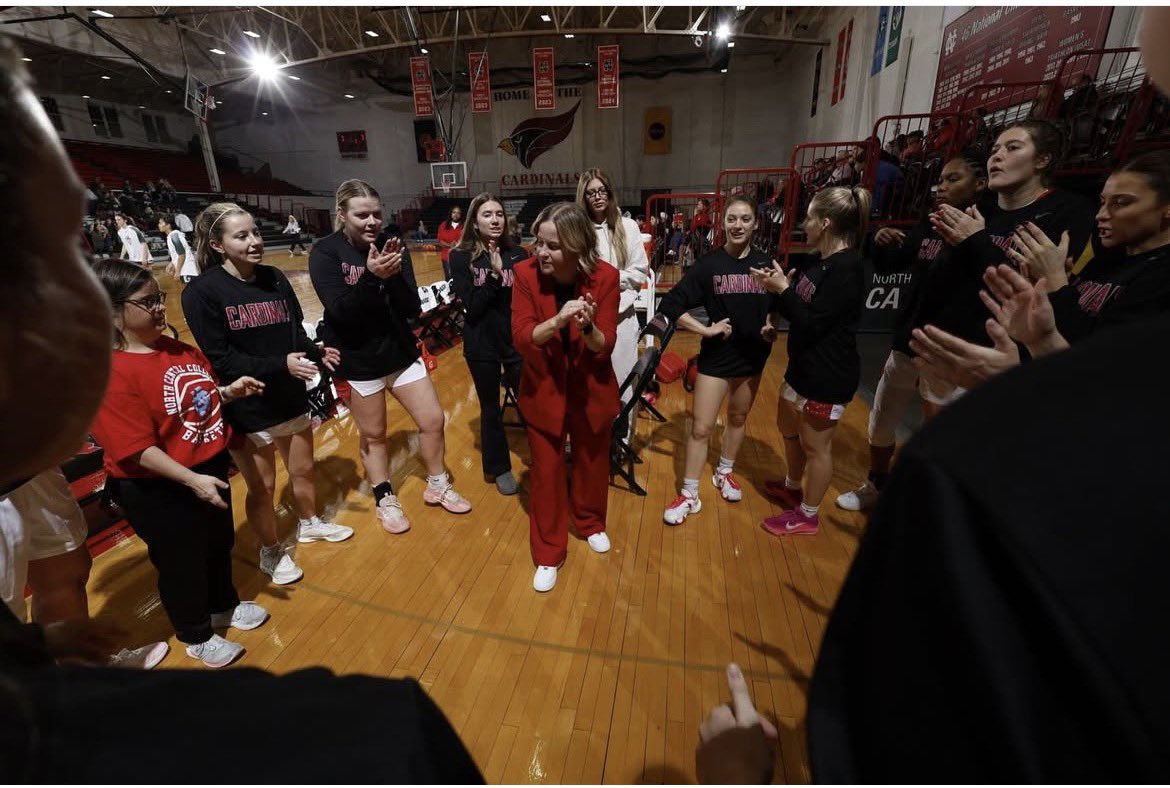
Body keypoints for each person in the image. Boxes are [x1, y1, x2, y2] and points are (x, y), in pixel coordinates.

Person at [89, 259, 270, 667]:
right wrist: (191, 480)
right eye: (147, 301)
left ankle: (223, 605)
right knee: (181, 563)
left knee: (217, 545)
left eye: (159, 297)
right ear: (113, 311)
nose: (160, 307)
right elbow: (136, 449)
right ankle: (196, 633)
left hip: (205, 469)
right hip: (158, 485)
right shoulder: (110, 373)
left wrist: (228, 392)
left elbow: (192, 400)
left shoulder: (179, 349)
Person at [183, 202, 353, 586]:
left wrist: (316, 352)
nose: (255, 241)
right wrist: (282, 364)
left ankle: (309, 523)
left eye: (256, 232)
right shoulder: (201, 292)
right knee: (263, 487)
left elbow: (293, 331)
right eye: (241, 236)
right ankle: (271, 549)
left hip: (288, 393)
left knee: (303, 470)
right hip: (248, 402)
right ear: (218, 245)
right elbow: (221, 358)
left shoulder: (274, 277)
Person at [910, 150, 1170, 388]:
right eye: (1103, 202)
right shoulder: (1108, 259)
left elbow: (1101, 366)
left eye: (1121, 203)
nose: (1102, 214)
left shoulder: (1160, 275)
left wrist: (1055, 282)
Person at [309, 179, 470, 534]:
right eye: (362, 215)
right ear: (342, 214)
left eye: (376, 214)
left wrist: (393, 276)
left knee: (432, 419)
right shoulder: (325, 253)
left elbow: (411, 307)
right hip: (358, 358)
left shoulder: (391, 244)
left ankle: (438, 484)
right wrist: (371, 277)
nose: (372, 222)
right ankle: (385, 497)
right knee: (375, 434)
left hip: (399, 351)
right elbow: (340, 312)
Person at [835, 149, 989, 512]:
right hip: (908, 341)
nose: (941, 186)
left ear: (980, 184)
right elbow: (894, 264)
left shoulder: (987, 231)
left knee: (938, 434)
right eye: (941, 179)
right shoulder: (930, 223)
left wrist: (976, 242)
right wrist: (883, 241)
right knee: (881, 419)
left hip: (948, 350)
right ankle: (877, 482)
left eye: (953, 179)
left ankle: (929, 502)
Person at [914, 120, 1094, 403]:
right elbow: (941, 282)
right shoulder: (977, 210)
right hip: (955, 352)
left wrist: (976, 240)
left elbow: (1038, 288)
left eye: (1012, 148)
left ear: (1042, 160)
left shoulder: (1068, 212)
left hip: (1012, 363)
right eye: (995, 150)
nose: (997, 157)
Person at [511, 202, 619, 592]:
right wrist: (557, 321)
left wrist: (588, 329)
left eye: (552, 246)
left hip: (590, 387)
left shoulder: (605, 277)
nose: (540, 252)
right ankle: (548, 550)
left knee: (592, 459)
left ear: (576, 247)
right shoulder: (524, 274)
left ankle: (589, 521)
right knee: (546, 471)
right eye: (538, 242)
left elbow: (605, 344)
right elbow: (522, 338)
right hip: (544, 387)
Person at [752, 187, 868, 536]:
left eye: (810, 217)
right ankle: (792, 485)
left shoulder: (848, 267)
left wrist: (783, 291)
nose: (805, 224)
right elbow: (799, 308)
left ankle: (808, 515)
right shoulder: (820, 261)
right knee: (787, 425)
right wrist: (779, 294)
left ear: (826, 222)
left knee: (816, 446)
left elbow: (812, 321)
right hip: (803, 366)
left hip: (828, 375)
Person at [657, 197, 777, 526]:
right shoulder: (709, 265)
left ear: (755, 223)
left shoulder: (766, 264)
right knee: (701, 428)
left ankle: (724, 472)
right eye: (732, 219)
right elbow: (670, 303)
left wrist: (770, 325)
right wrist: (705, 329)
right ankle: (689, 493)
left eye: (745, 219)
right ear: (722, 223)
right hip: (717, 358)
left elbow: (774, 306)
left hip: (753, 356)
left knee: (738, 418)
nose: (738, 225)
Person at [450, 193, 527, 496]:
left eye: (499, 214)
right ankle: (499, 467)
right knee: (491, 408)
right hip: (481, 342)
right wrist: (494, 276)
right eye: (487, 214)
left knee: (530, 400)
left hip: (515, 340)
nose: (495, 220)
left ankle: (546, 455)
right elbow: (473, 306)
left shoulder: (518, 254)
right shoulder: (460, 257)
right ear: (474, 221)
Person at [576, 168, 649, 404]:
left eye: (602, 190)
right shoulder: (578, 230)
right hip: (588, 320)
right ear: (583, 197)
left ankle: (623, 429)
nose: (597, 196)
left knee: (624, 386)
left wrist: (606, 281)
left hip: (622, 318)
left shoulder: (628, 226)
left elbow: (638, 273)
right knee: (590, 389)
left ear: (609, 193)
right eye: (591, 193)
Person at [158, 213, 195, 284]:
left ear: (168, 225)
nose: (159, 225)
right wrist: (172, 263)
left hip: (188, 270)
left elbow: (182, 254)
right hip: (187, 270)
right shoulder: (174, 235)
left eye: (161, 223)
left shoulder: (174, 236)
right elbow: (179, 254)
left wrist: (178, 271)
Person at [435, 204, 464, 279]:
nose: (456, 215)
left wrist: (458, 245)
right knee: (449, 278)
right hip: (447, 256)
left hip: (461, 256)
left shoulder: (464, 226)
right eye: (454, 212)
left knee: (461, 278)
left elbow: (468, 240)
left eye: (458, 213)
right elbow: (440, 241)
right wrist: (449, 245)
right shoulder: (443, 225)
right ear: (450, 213)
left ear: (461, 215)